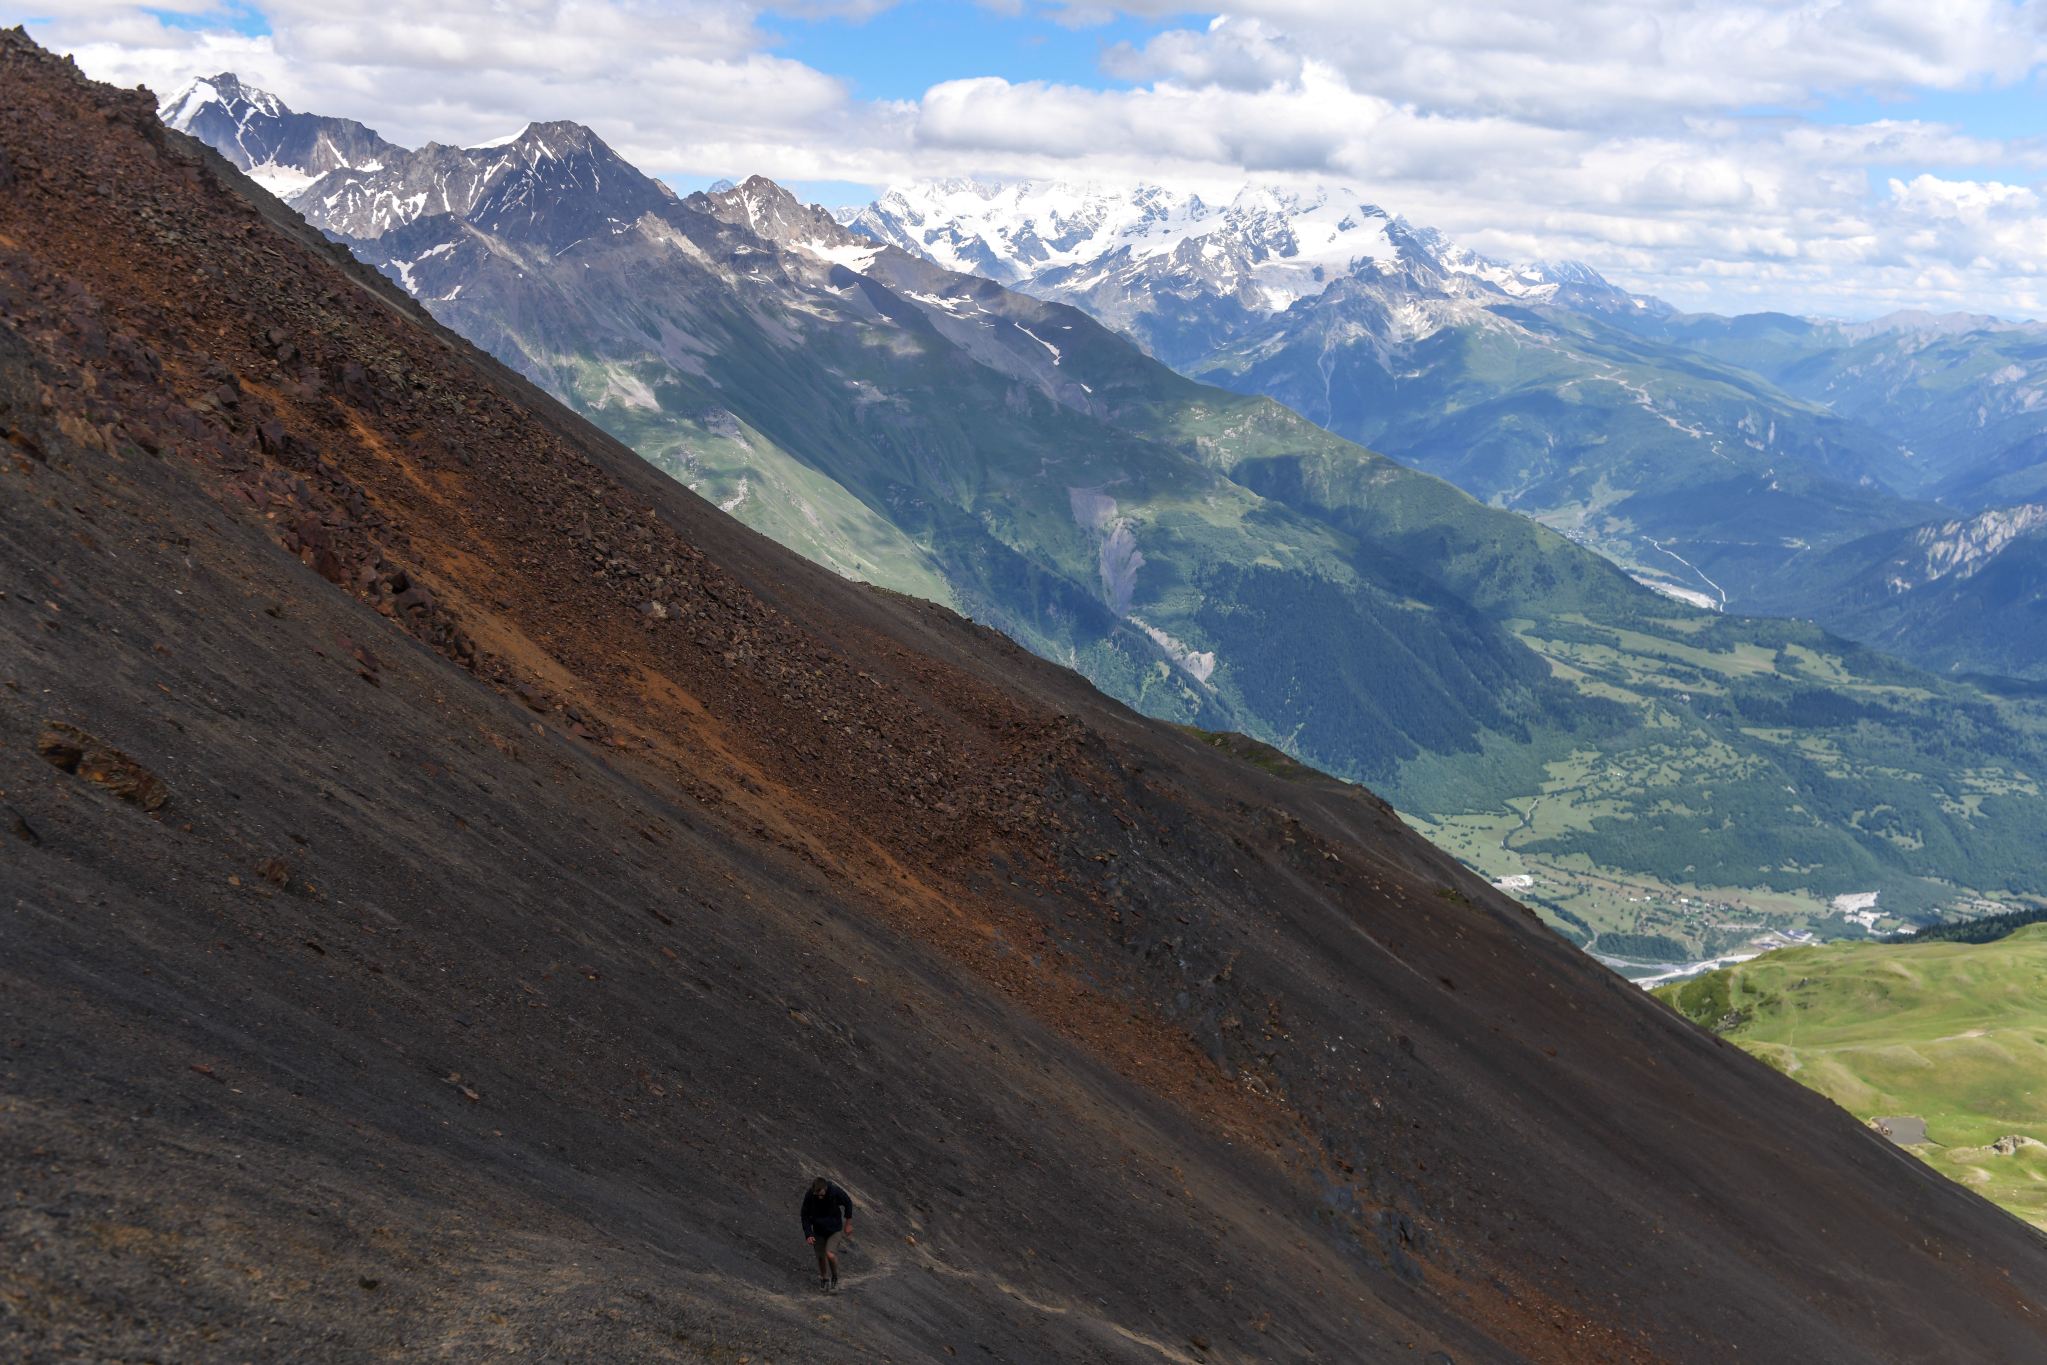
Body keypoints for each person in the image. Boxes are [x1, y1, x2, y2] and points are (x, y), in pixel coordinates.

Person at [800, 1176, 854, 1293]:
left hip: (834, 1229)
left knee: (830, 1254)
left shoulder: (835, 1192)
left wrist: (848, 1224)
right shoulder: (810, 1195)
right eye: (817, 1194)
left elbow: (848, 1203)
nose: (819, 1197)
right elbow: (804, 1215)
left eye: (821, 1195)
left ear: (826, 1188)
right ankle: (825, 1279)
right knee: (821, 1256)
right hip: (818, 1230)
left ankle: (834, 1278)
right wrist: (808, 1234)